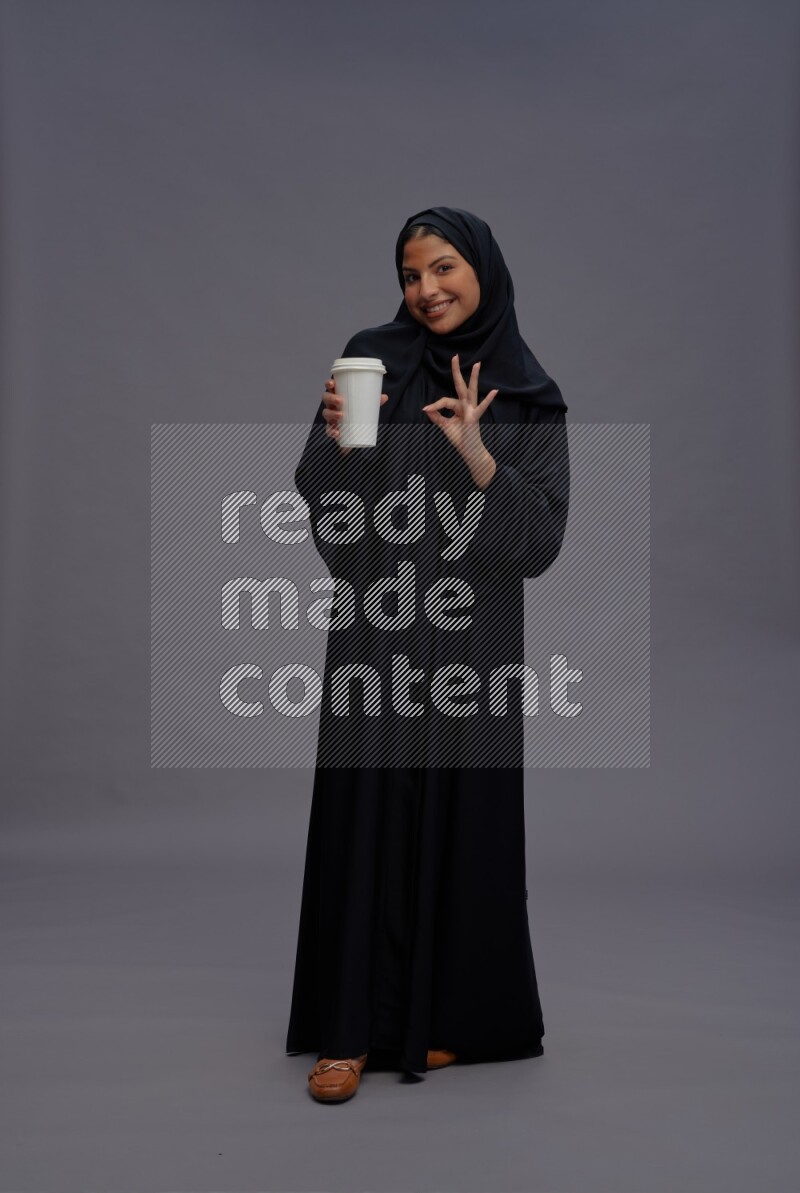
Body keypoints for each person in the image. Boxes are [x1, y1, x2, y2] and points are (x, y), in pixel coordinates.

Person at [285, 206, 570, 1103]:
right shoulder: (372, 356)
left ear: (482, 269)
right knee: (366, 813)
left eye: (443, 268)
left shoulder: (526, 390)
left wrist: (481, 460)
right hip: (376, 623)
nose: (427, 290)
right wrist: (335, 443)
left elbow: (540, 541)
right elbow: (319, 498)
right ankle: (350, 1033)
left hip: (473, 642)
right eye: (412, 275)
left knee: (464, 819)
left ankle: (451, 1018)